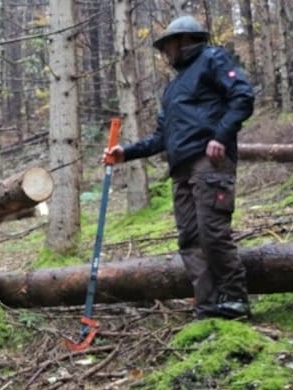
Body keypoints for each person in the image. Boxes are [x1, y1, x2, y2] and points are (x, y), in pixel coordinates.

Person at [104, 15, 255, 319]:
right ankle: (208, 305)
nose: (164, 54)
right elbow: (161, 137)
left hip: (209, 160)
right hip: (181, 168)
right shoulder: (173, 89)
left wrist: (221, 136)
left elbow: (243, 95)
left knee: (212, 230)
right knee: (189, 237)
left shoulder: (213, 58)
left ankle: (236, 298)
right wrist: (126, 153)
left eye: (167, 47)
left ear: (183, 41)